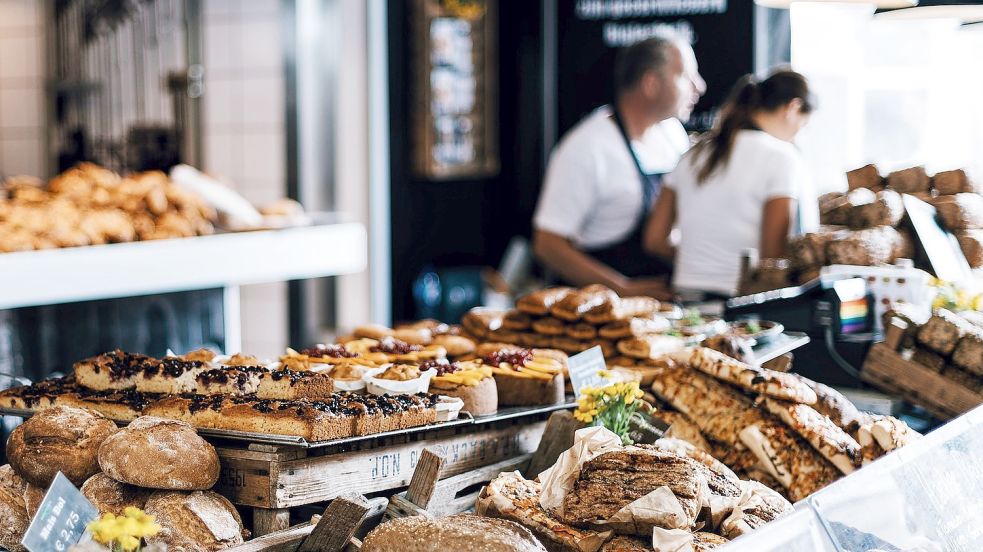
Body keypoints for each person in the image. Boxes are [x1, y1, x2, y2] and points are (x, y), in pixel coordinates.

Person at [532, 36, 706, 299]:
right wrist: (621, 289)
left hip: (663, 304)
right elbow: (548, 245)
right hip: (598, 311)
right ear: (651, 84)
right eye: (686, 76)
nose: (699, 86)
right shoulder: (587, 147)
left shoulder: (672, 134)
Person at [643, 69, 817, 298]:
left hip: (686, 298)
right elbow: (771, 258)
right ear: (793, 109)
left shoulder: (692, 154)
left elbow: (654, 240)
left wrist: (701, 260)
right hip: (742, 305)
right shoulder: (782, 157)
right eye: (803, 126)